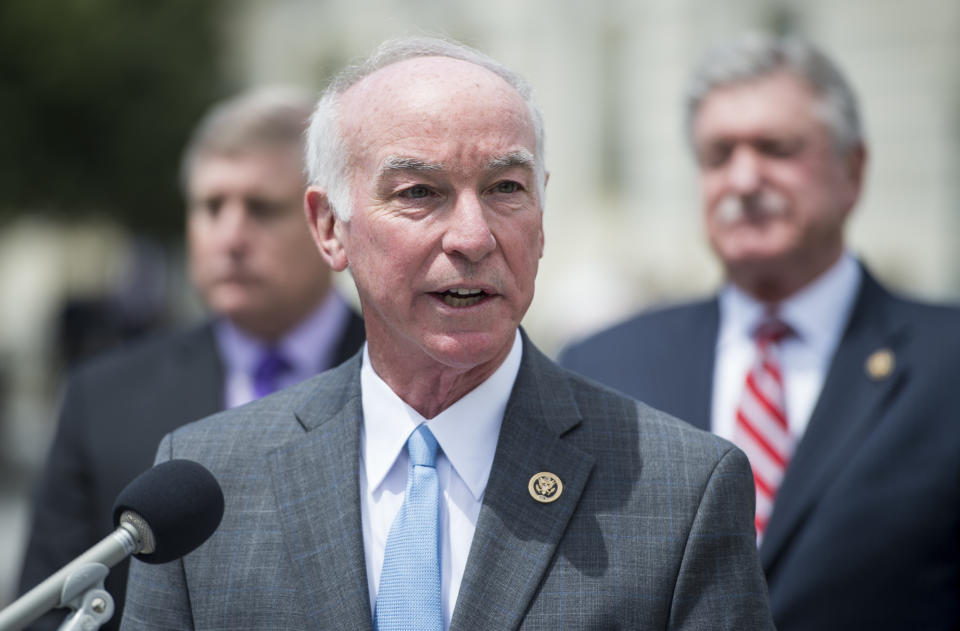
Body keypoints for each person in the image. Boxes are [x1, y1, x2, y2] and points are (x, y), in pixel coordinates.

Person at [119, 36, 774, 630]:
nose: (472, 236)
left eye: (506, 188)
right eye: (419, 192)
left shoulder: (680, 489)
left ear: (541, 214)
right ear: (328, 226)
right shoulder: (207, 485)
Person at [559, 32, 960, 631]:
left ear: (852, 170)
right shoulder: (604, 365)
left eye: (776, 149)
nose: (743, 180)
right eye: (719, 155)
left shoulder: (947, 363)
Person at [17, 87, 365, 631]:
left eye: (261, 207)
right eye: (211, 206)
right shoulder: (102, 399)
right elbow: (47, 605)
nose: (230, 236)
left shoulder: (406, 380)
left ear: (326, 221)